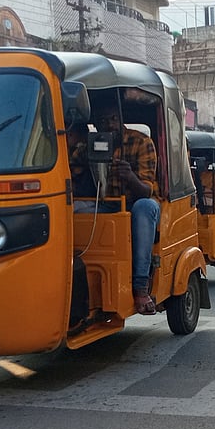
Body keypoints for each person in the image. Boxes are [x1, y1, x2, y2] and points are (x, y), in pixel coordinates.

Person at [87, 95, 161, 315]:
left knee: (144, 208)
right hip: (106, 204)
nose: (108, 124)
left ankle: (140, 286)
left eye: (112, 119)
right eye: (102, 120)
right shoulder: (91, 143)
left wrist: (130, 177)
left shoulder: (141, 142)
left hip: (136, 204)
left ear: (120, 119)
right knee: (75, 209)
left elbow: (147, 189)